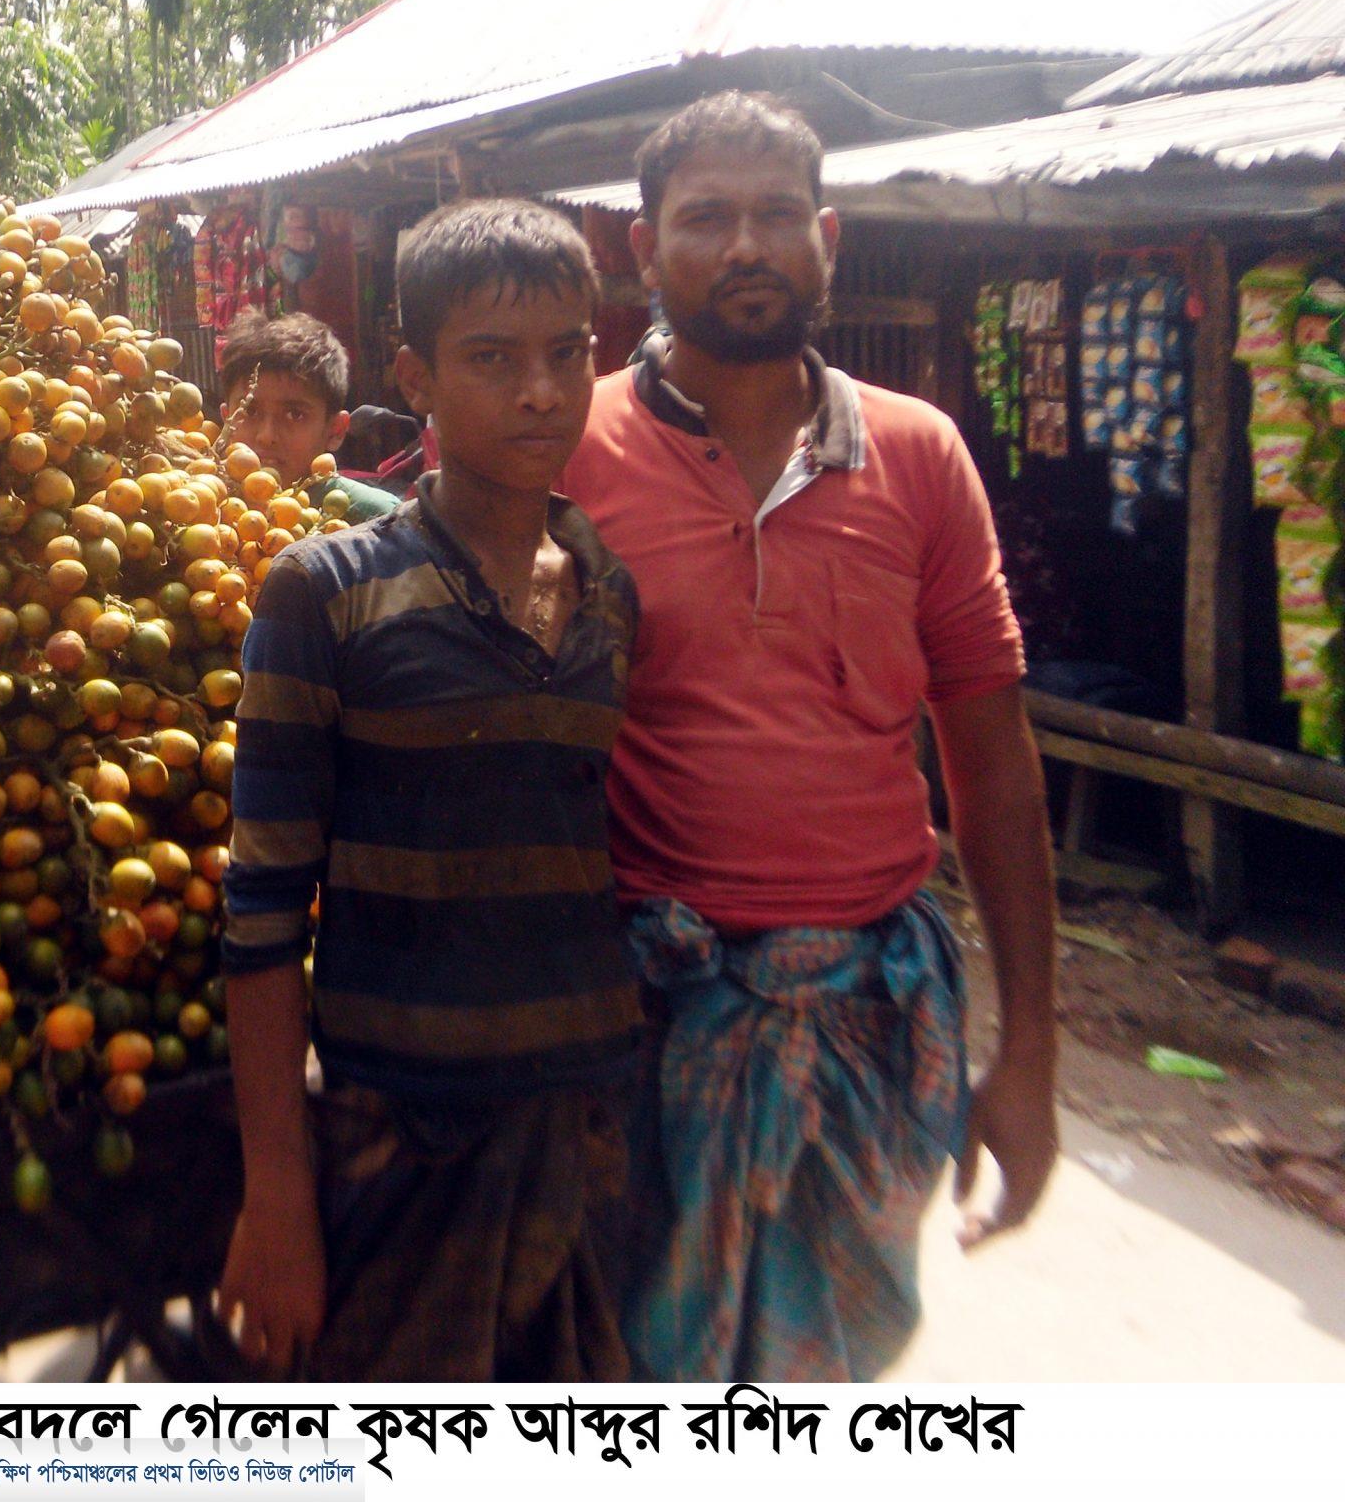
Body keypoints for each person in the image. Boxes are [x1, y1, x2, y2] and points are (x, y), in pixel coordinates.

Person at [555, 92, 1060, 1381]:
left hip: (868, 1022)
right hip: (638, 1020)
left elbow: (992, 763)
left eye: (778, 215)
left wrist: (1032, 1051)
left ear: (826, 236)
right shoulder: (566, 451)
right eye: (706, 217)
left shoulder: (919, 454)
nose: (745, 246)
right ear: (639, 247)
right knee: (614, 1378)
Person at [213, 199, 645, 1379]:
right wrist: (279, 1196)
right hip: (395, 1138)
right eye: (493, 359)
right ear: (417, 377)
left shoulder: (609, 591)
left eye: (568, 355)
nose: (541, 392)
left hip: (585, 1125)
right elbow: (259, 914)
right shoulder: (322, 593)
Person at [215, 310, 403, 523]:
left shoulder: (378, 519)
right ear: (226, 421)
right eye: (249, 411)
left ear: (336, 430)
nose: (266, 436)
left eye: (295, 414)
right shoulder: (207, 510)